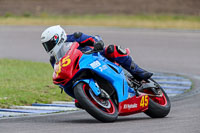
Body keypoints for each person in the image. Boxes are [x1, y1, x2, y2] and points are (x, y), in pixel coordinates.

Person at [41, 25, 153, 81]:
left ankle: (139, 72)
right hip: (80, 71)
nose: (48, 48)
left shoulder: (75, 37)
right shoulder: (54, 59)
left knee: (112, 49)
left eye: (49, 44)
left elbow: (94, 38)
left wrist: (97, 44)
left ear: (57, 38)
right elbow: (60, 73)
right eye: (46, 46)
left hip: (96, 56)